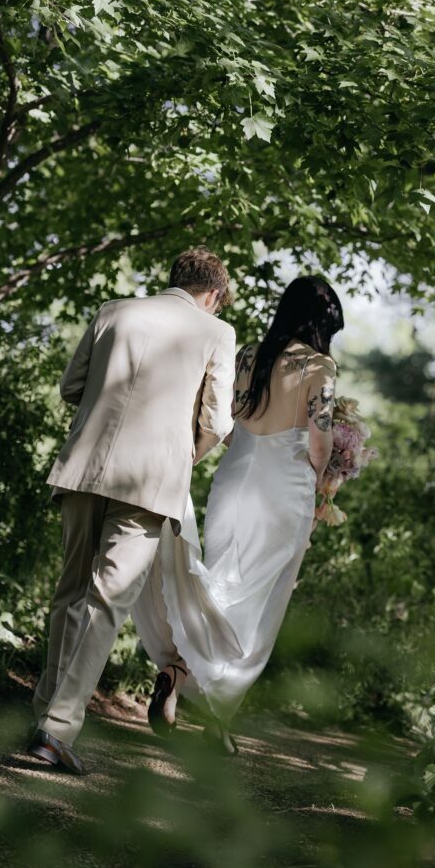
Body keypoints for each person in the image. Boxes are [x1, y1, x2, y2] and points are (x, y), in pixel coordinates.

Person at [27, 248, 236, 773]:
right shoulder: (217, 332)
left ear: (177, 279)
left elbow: (71, 386)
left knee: (71, 591)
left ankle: (42, 718)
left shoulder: (113, 311)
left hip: (83, 466)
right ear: (213, 294)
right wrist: (184, 453)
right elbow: (217, 420)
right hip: (150, 483)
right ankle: (56, 730)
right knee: (106, 601)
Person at [131, 276, 344, 754]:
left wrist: (250, 445)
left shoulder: (249, 354)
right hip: (283, 487)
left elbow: (226, 423)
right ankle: (208, 704)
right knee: (258, 601)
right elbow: (319, 439)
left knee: (223, 579)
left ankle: (183, 674)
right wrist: (326, 475)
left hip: (234, 477)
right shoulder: (319, 365)